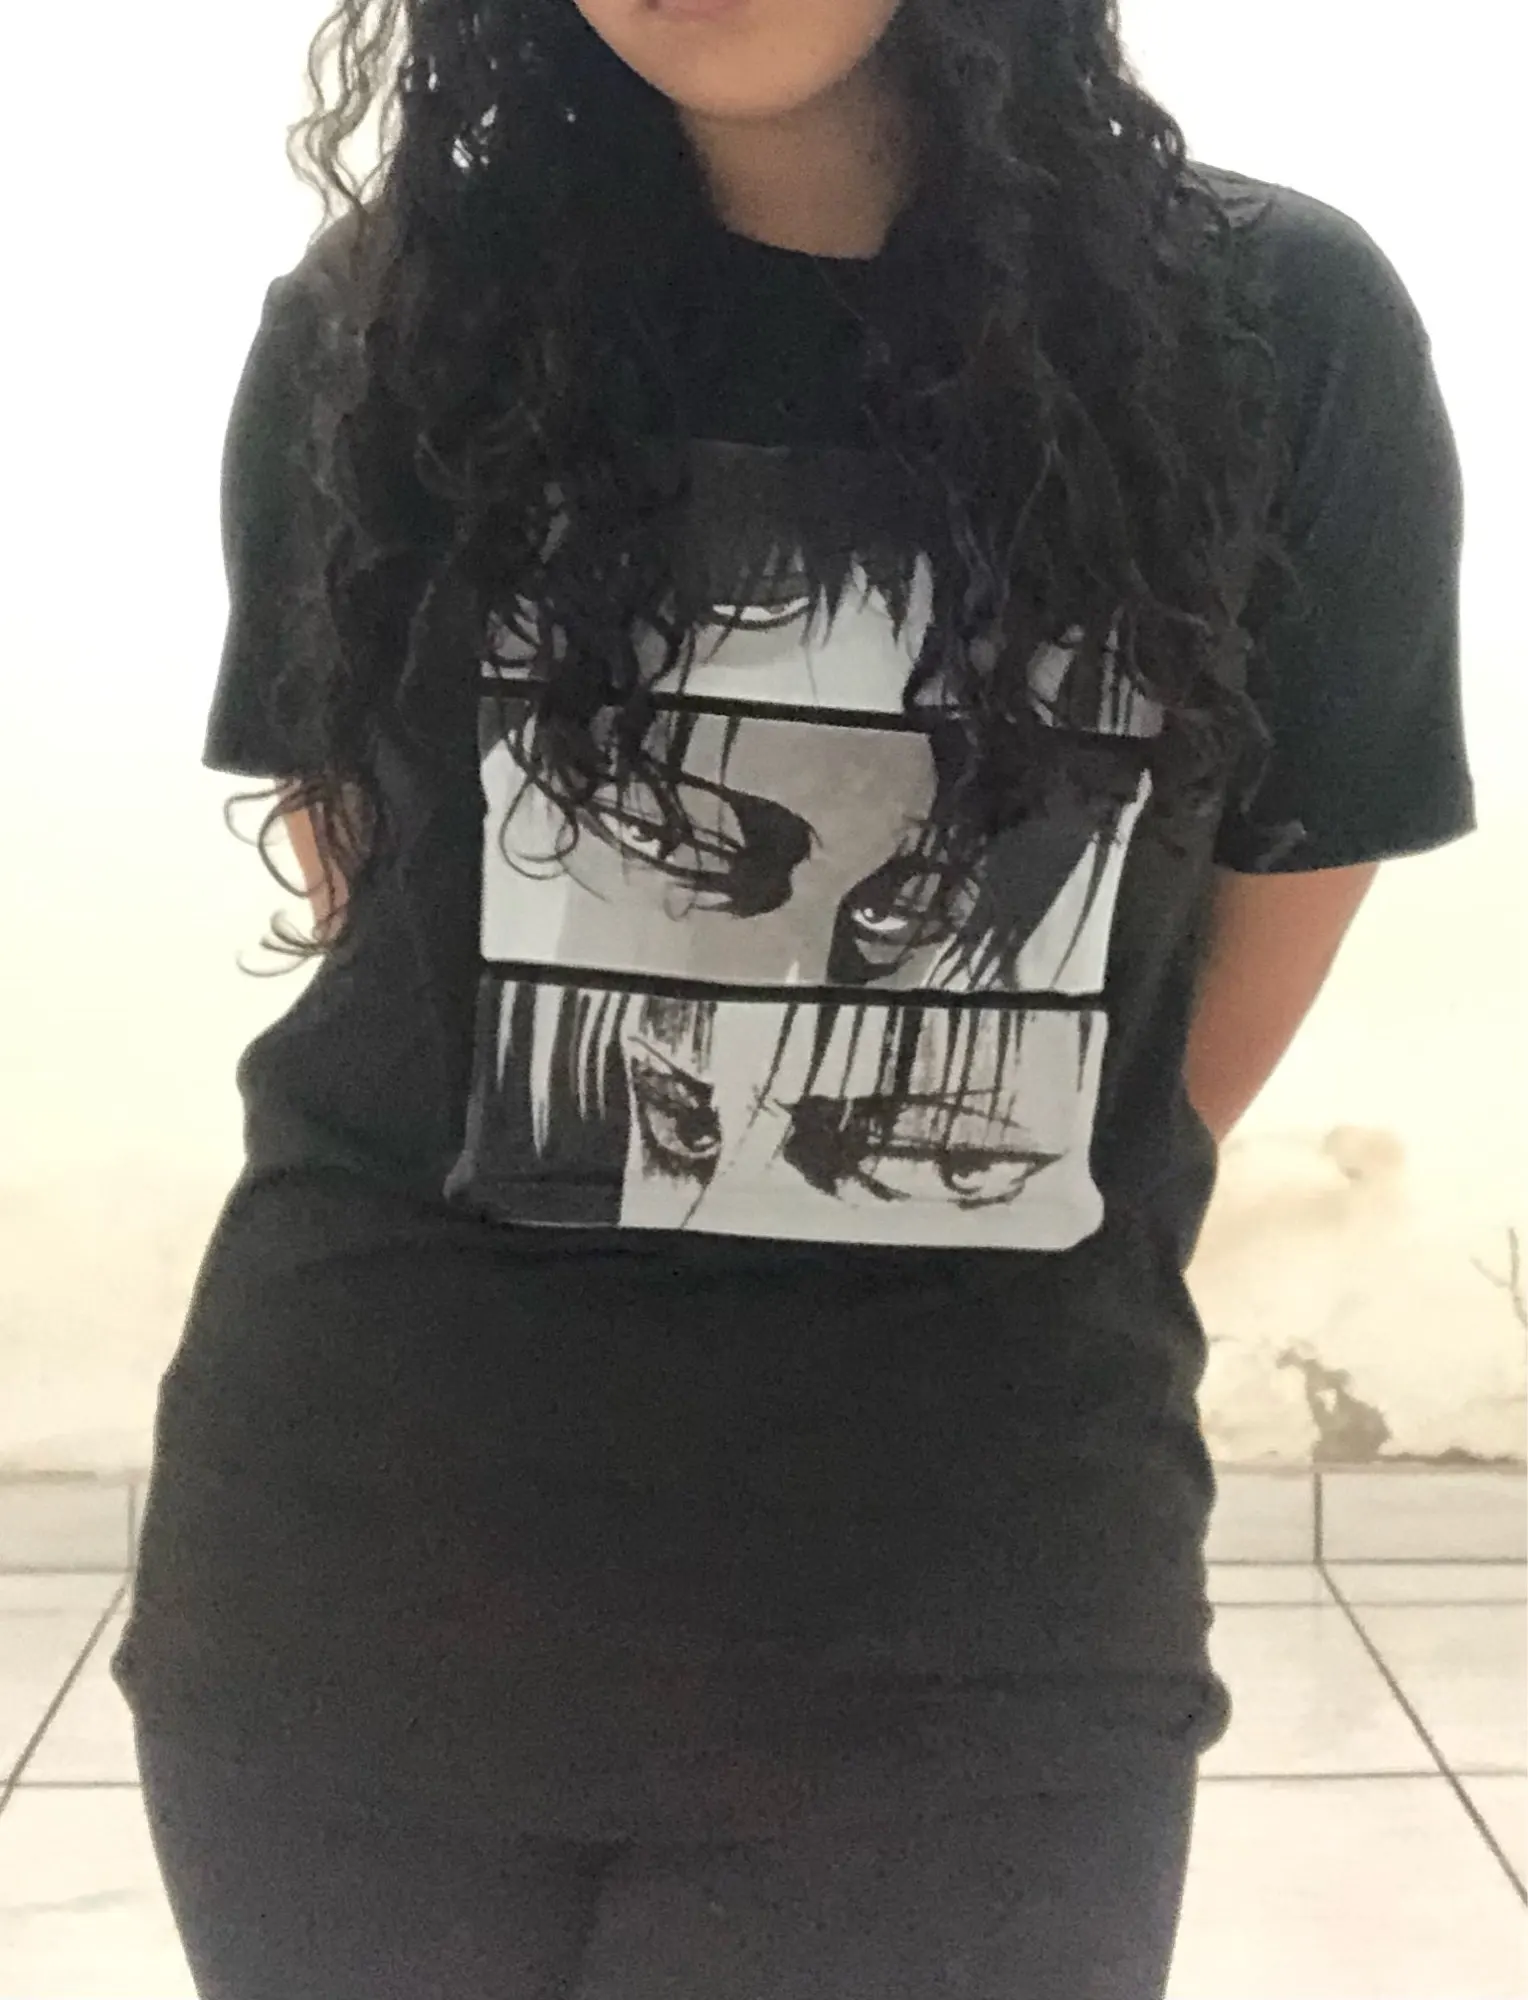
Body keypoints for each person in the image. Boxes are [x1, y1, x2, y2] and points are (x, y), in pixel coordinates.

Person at [111, 0, 1473, 1993]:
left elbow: (1267, 895)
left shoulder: (1275, 326)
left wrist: (960, 1141)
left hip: (970, 1607)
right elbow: (377, 886)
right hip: (363, 1569)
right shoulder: (386, 320)